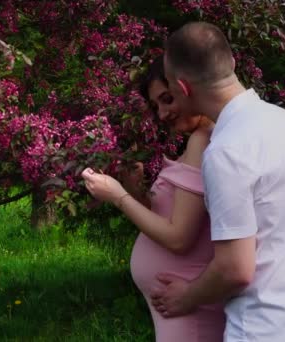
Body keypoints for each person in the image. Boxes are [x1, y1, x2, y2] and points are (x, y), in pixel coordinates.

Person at [149, 22, 285, 342]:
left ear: (183, 87)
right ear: (231, 63)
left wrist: (188, 295)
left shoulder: (227, 151)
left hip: (262, 330)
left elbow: (235, 269)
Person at [81, 55, 225, 341]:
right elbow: (171, 222)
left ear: (187, 89)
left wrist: (119, 196)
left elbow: (179, 238)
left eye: (167, 99)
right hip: (179, 310)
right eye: (156, 106)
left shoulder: (202, 139)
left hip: (191, 313)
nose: (161, 114)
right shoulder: (195, 141)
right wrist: (136, 192)